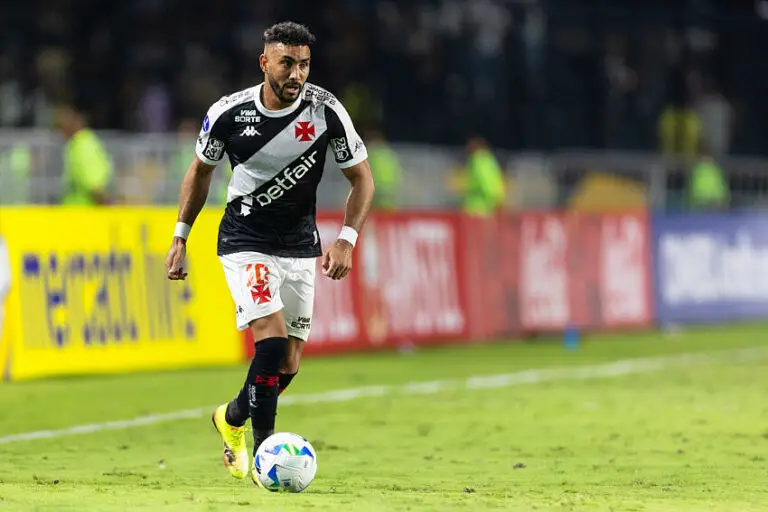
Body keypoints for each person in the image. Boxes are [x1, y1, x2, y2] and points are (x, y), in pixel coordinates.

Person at [164, 22, 375, 484]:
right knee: (272, 341)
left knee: (288, 363)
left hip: (299, 244)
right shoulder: (229, 114)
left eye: (304, 65)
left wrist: (346, 239)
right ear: (265, 63)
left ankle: (231, 418)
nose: (296, 74)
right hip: (245, 240)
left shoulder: (325, 110)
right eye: (287, 63)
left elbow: (363, 178)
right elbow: (200, 171)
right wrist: (181, 236)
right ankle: (266, 458)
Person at [53, 103, 113, 205]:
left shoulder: (83, 147)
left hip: (85, 212)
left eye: (61, 127)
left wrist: (106, 210)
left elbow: (96, 187)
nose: (60, 133)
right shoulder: (78, 145)